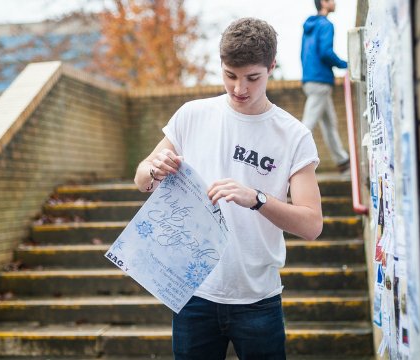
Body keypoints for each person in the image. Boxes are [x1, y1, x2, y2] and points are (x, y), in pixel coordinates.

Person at [134, 17, 323, 360]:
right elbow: (141, 177)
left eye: (252, 78)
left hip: (258, 301)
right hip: (194, 295)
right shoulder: (192, 115)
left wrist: (257, 199)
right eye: (230, 76)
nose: (239, 89)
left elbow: (312, 224)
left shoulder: (293, 135)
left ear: (271, 68)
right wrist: (153, 169)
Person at [301, 0, 350, 173]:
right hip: (320, 81)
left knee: (330, 124)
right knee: (307, 126)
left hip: (311, 80)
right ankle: (288, 162)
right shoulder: (326, 25)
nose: (335, 2)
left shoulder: (310, 26)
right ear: (323, 2)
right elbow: (326, 52)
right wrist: (346, 64)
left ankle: (342, 161)